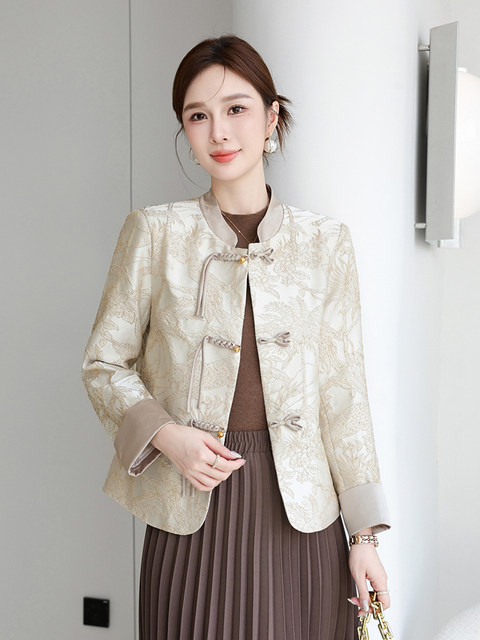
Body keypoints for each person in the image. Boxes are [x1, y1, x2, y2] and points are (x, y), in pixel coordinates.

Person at [81, 34, 391, 640]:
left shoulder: (325, 243)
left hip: (304, 518)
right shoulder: (154, 233)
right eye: (198, 116)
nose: (218, 131)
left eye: (236, 109)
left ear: (272, 118)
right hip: (193, 505)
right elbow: (103, 363)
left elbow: (344, 394)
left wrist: (364, 538)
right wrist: (167, 436)